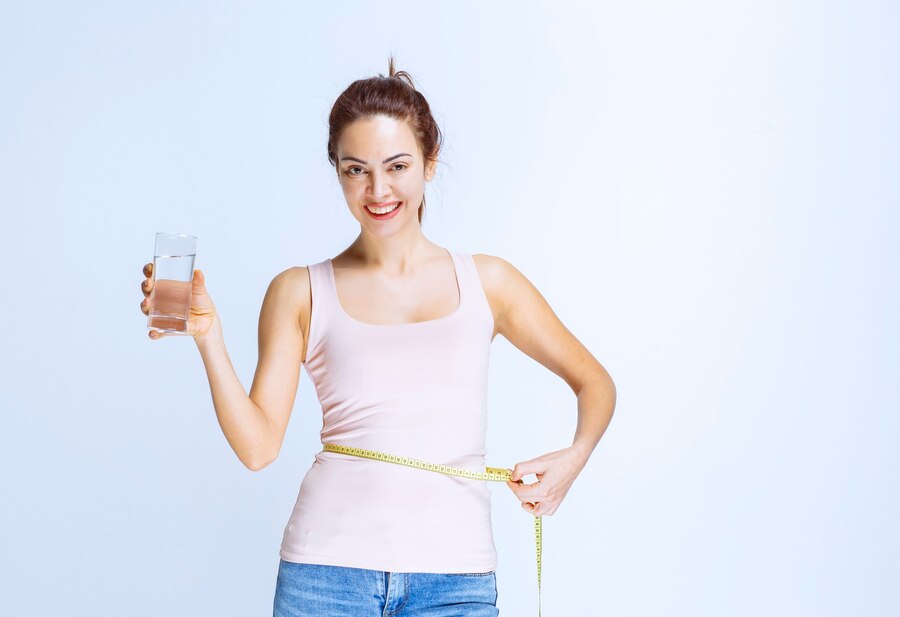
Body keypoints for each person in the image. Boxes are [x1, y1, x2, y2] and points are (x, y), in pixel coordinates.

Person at [139, 55, 616, 617]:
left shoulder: (490, 282)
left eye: (396, 166)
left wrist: (574, 457)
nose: (377, 188)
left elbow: (595, 382)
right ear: (336, 171)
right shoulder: (299, 290)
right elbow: (259, 448)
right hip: (324, 576)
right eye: (355, 169)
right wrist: (208, 337)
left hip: (455, 581)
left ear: (429, 164)